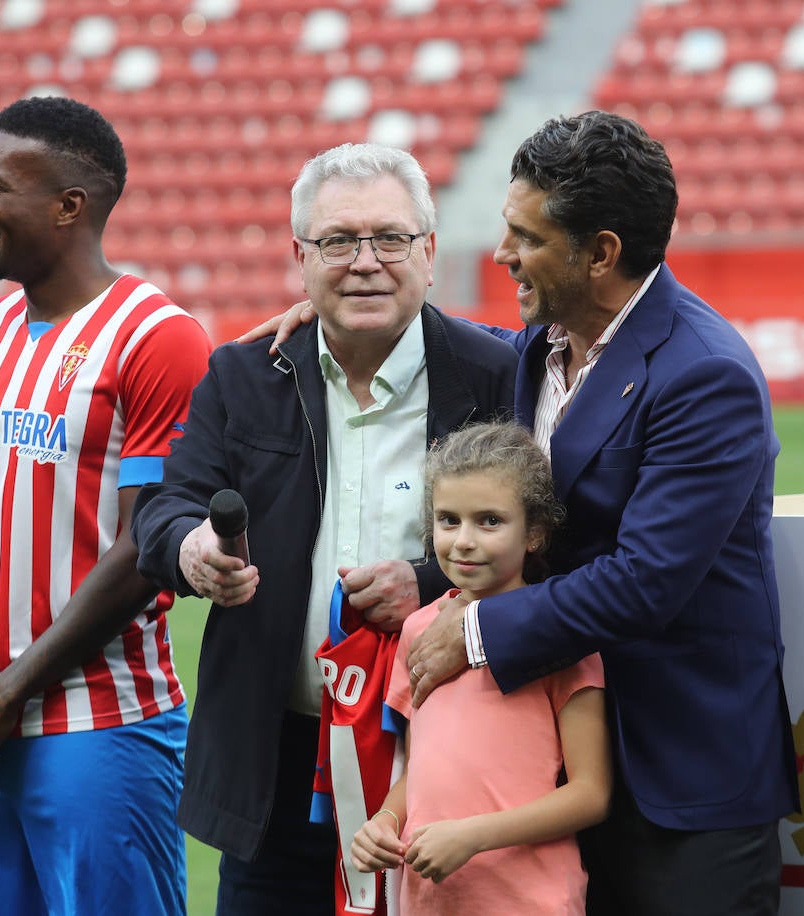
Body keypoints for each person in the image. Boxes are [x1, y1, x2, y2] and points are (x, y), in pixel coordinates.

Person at [391, 111, 800, 914]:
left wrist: (471, 634)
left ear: (601, 252)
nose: (503, 253)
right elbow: (451, 339)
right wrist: (329, 320)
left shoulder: (704, 374)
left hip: (679, 782)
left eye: (525, 236)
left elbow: (646, 582)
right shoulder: (538, 346)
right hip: (555, 778)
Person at [130, 142, 518, 914]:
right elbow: (164, 511)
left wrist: (432, 581)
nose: (365, 261)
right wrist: (194, 550)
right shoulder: (243, 376)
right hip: (277, 765)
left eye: (391, 239)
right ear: (301, 257)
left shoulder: (496, 373)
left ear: (430, 252)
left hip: (443, 752)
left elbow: (546, 538)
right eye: (338, 242)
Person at [0, 96, 211, 915]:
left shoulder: (157, 336)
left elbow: (143, 545)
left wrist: (10, 691)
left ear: (68, 205)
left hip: (99, 727)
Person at [350, 421, 611, 913]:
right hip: (431, 899)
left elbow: (590, 794)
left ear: (534, 532)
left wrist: (473, 836)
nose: (463, 541)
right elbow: (421, 767)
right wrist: (385, 819)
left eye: (489, 521)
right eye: (449, 520)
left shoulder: (562, 639)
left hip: (529, 900)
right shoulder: (418, 630)